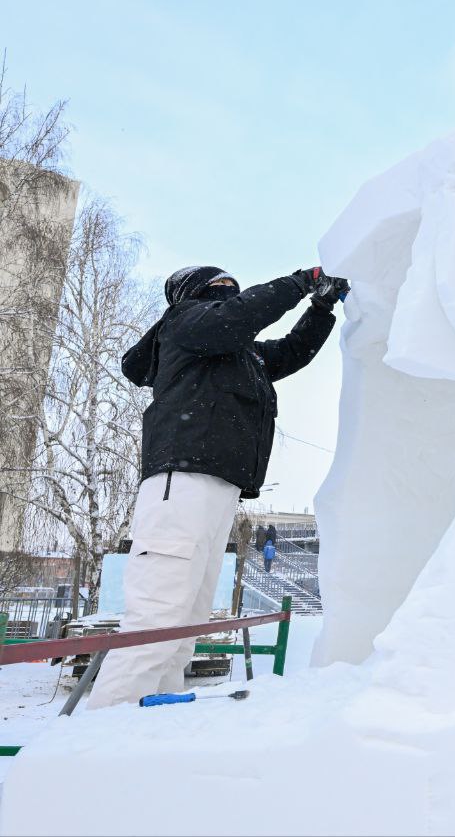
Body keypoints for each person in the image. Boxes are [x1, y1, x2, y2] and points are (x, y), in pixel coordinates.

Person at [86, 265, 348, 709]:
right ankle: (103, 726)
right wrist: (298, 282)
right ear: (191, 296)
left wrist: (320, 306)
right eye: (217, 288)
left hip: (219, 488)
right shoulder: (184, 325)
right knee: (158, 611)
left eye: (232, 286)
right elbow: (237, 318)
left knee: (188, 614)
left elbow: (293, 351)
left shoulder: (240, 355)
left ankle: (153, 715)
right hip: (181, 481)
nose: (228, 293)